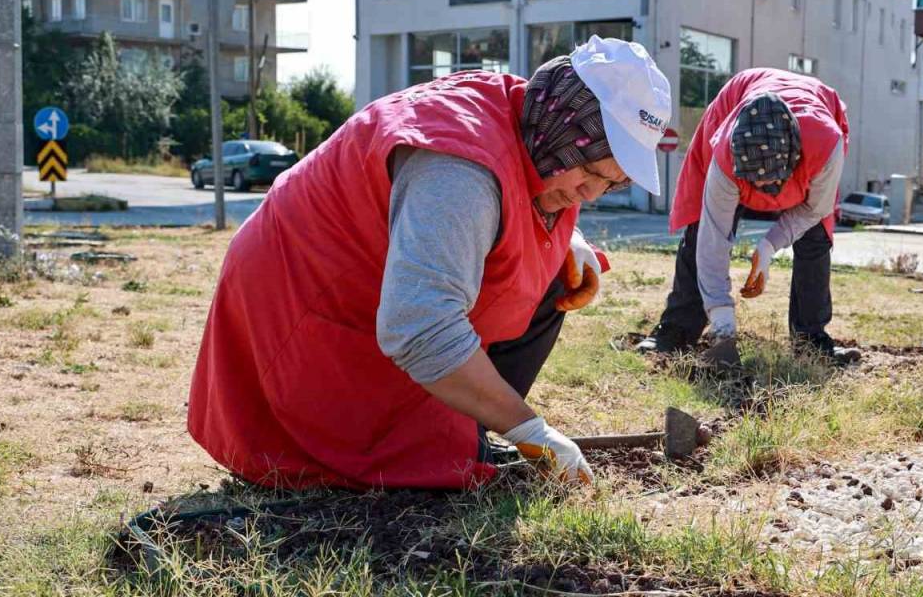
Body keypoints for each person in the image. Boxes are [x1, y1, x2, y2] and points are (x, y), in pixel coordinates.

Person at [188, 37, 672, 489]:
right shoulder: (458, 170)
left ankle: (470, 426)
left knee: (553, 281)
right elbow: (418, 325)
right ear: (560, 127)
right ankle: (445, 431)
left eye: (610, 183)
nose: (590, 194)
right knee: (401, 452)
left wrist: (571, 239)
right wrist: (530, 428)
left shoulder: (530, 120)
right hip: (303, 313)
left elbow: (513, 191)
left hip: (373, 290)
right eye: (589, 172)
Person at [636, 68, 859, 364]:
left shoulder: (825, 145)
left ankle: (812, 342)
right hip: (736, 101)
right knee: (699, 226)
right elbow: (713, 236)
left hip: (815, 116)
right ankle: (675, 332)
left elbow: (814, 209)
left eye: (772, 183)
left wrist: (768, 247)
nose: (764, 193)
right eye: (755, 183)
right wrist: (722, 317)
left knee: (815, 236)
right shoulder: (724, 155)